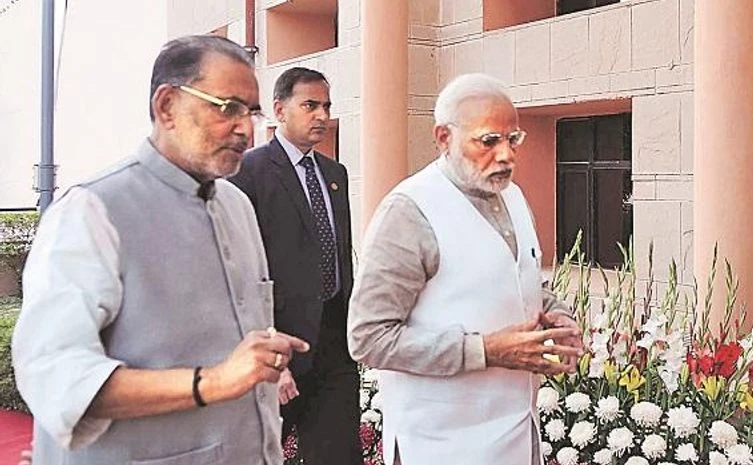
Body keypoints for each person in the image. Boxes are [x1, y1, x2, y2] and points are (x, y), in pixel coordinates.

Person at [11, 35, 309, 465]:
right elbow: (56, 377)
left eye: (251, 111)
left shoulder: (237, 206)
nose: (246, 128)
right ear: (166, 106)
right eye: (227, 108)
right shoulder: (93, 211)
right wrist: (212, 382)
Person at [347, 73, 585, 465]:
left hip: (516, 435)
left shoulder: (513, 195)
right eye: (489, 141)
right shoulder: (409, 211)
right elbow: (368, 338)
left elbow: (514, 280)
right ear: (444, 138)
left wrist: (558, 316)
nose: (506, 154)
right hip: (440, 444)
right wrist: (483, 351)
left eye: (514, 139)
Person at [229, 67, 360, 465]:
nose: (321, 115)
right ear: (279, 110)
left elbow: (341, 258)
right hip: (278, 349)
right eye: (310, 105)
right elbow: (243, 272)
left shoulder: (335, 174)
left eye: (326, 106)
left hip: (335, 349)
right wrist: (268, 351)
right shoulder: (248, 173)